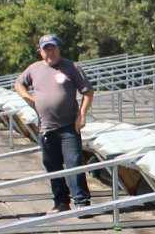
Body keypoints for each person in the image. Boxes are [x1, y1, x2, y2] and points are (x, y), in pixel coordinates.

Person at [14, 34, 95, 214]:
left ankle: (81, 201)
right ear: (40, 51)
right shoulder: (34, 69)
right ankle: (61, 202)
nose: (50, 52)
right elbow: (19, 84)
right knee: (52, 165)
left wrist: (81, 115)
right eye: (46, 49)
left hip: (68, 126)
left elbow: (88, 92)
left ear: (58, 49)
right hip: (46, 127)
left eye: (53, 48)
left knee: (73, 163)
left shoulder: (71, 67)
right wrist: (29, 98)